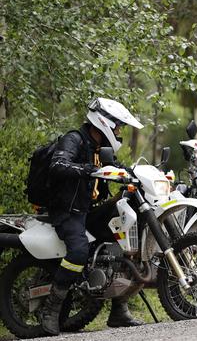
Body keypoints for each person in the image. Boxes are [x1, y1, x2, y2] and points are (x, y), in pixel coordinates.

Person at [39, 98, 145, 335]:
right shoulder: (74, 140)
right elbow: (58, 165)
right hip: (67, 210)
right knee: (78, 252)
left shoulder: (99, 148)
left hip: (89, 210)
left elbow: (115, 167)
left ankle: (118, 309)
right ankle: (51, 309)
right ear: (104, 123)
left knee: (125, 237)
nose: (119, 132)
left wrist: (135, 176)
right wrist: (89, 170)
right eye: (117, 126)